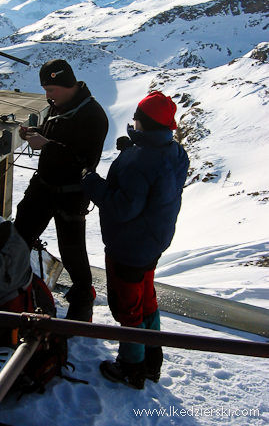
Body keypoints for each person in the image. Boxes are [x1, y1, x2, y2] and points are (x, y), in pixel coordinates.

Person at [80, 91, 189, 389]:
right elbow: (157, 178)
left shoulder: (140, 161)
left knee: (128, 308)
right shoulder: (175, 152)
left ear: (144, 122)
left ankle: (132, 367)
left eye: (137, 118)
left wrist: (90, 180)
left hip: (128, 246)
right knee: (147, 298)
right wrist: (133, 147)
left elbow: (121, 206)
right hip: (152, 242)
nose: (133, 121)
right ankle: (153, 361)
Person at [14, 59, 108, 322]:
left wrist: (45, 144)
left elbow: (84, 160)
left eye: (51, 89)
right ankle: (13, 293)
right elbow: (56, 132)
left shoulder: (93, 115)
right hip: (43, 188)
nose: (47, 96)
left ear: (67, 85)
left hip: (71, 194)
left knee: (72, 253)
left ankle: (82, 307)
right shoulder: (61, 105)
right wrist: (35, 133)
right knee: (19, 237)